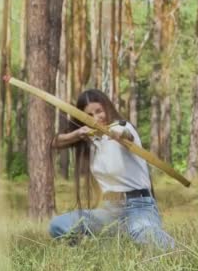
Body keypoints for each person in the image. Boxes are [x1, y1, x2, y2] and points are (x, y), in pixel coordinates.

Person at [48, 89, 175, 250]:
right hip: (111, 211)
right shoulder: (92, 140)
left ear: (107, 107)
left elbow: (126, 134)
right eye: (89, 115)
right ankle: (90, 253)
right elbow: (54, 142)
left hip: (139, 207)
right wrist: (77, 133)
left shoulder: (123, 126)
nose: (96, 118)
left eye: (99, 111)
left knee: (141, 233)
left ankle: (176, 251)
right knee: (59, 225)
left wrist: (118, 135)